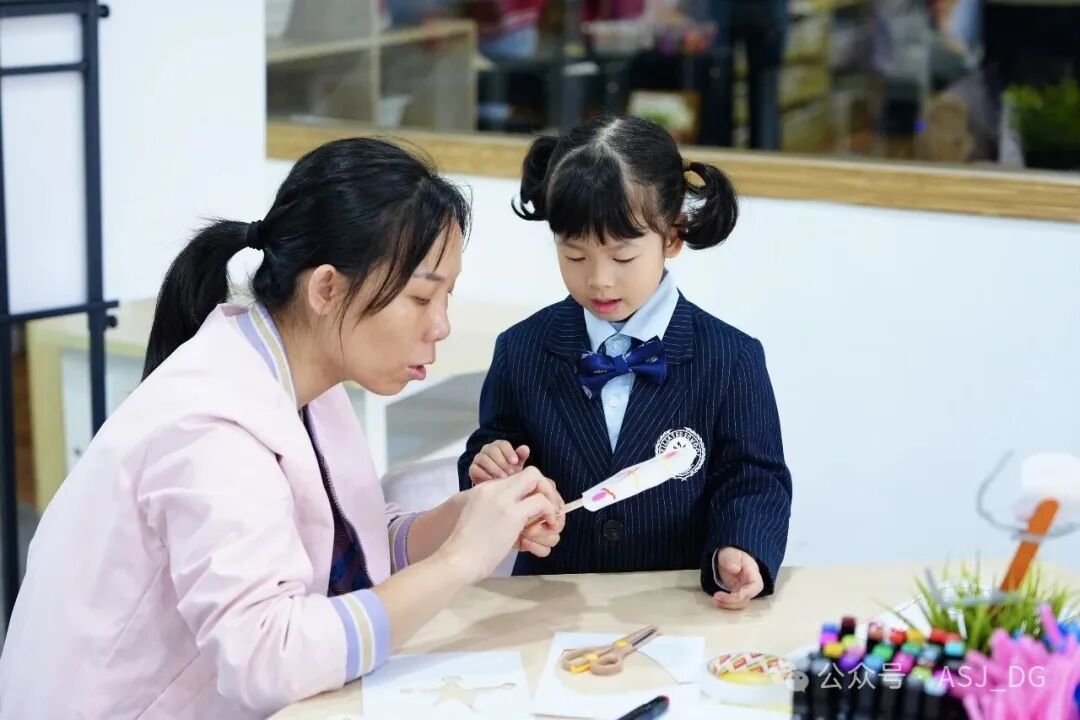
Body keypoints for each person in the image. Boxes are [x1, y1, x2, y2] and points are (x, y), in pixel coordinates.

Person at [0, 138, 564, 719]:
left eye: (447, 295)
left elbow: (349, 548)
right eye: (422, 297)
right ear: (326, 289)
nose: (441, 325)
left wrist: (464, 521)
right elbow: (267, 658)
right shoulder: (210, 428)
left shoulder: (304, 381)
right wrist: (459, 561)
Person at [458, 115, 791, 609]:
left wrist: (740, 546)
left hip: (678, 601)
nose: (599, 280)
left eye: (622, 258)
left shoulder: (732, 356)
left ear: (672, 237)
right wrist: (489, 465)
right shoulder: (522, 348)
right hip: (549, 603)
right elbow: (495, 444)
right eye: (575, 257)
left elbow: (754, 479)